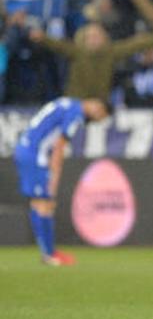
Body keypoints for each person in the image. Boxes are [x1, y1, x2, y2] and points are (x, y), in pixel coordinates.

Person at [13, 97, 110, 266]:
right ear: (98, 108)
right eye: (98, 117)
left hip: (26, 149)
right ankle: (49, 255)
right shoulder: (75, 114)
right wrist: (54, 178)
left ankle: (49, 252)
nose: (93, 119)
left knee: (40, 203)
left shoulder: (67, 103)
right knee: (45, 202)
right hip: (34, 153)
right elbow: (59, 147)